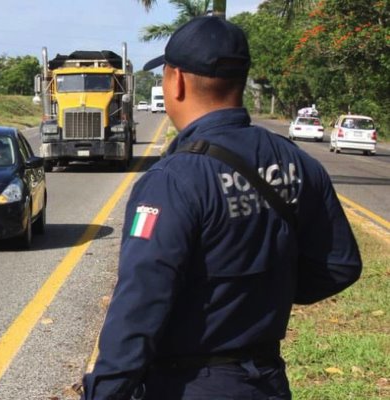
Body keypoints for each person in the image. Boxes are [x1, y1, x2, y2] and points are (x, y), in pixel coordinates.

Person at [83, 16, 362, 399]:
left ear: (176, 80)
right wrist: (260, 296)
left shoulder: (172, 180)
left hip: (187, 384)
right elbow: (339, 265)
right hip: (267, 381)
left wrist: (104, 392)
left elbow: (140, 303)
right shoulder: (297, 162)